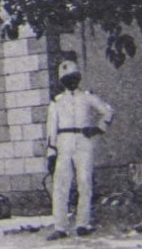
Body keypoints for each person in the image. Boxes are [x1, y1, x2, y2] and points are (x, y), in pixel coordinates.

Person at [44, 58, 114, 239]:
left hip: (83, 141)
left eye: (74, 77)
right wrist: (51, 153)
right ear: (62, 81)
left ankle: (82, 224)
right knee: (61, 185)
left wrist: (98, 127)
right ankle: (60, 227)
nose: (71, 82)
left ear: (79, 78)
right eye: (67, 79)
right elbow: (51, 130)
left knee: (85, 181)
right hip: (63, 143)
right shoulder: (56, 102)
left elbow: (107, 111)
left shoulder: (87, 97)